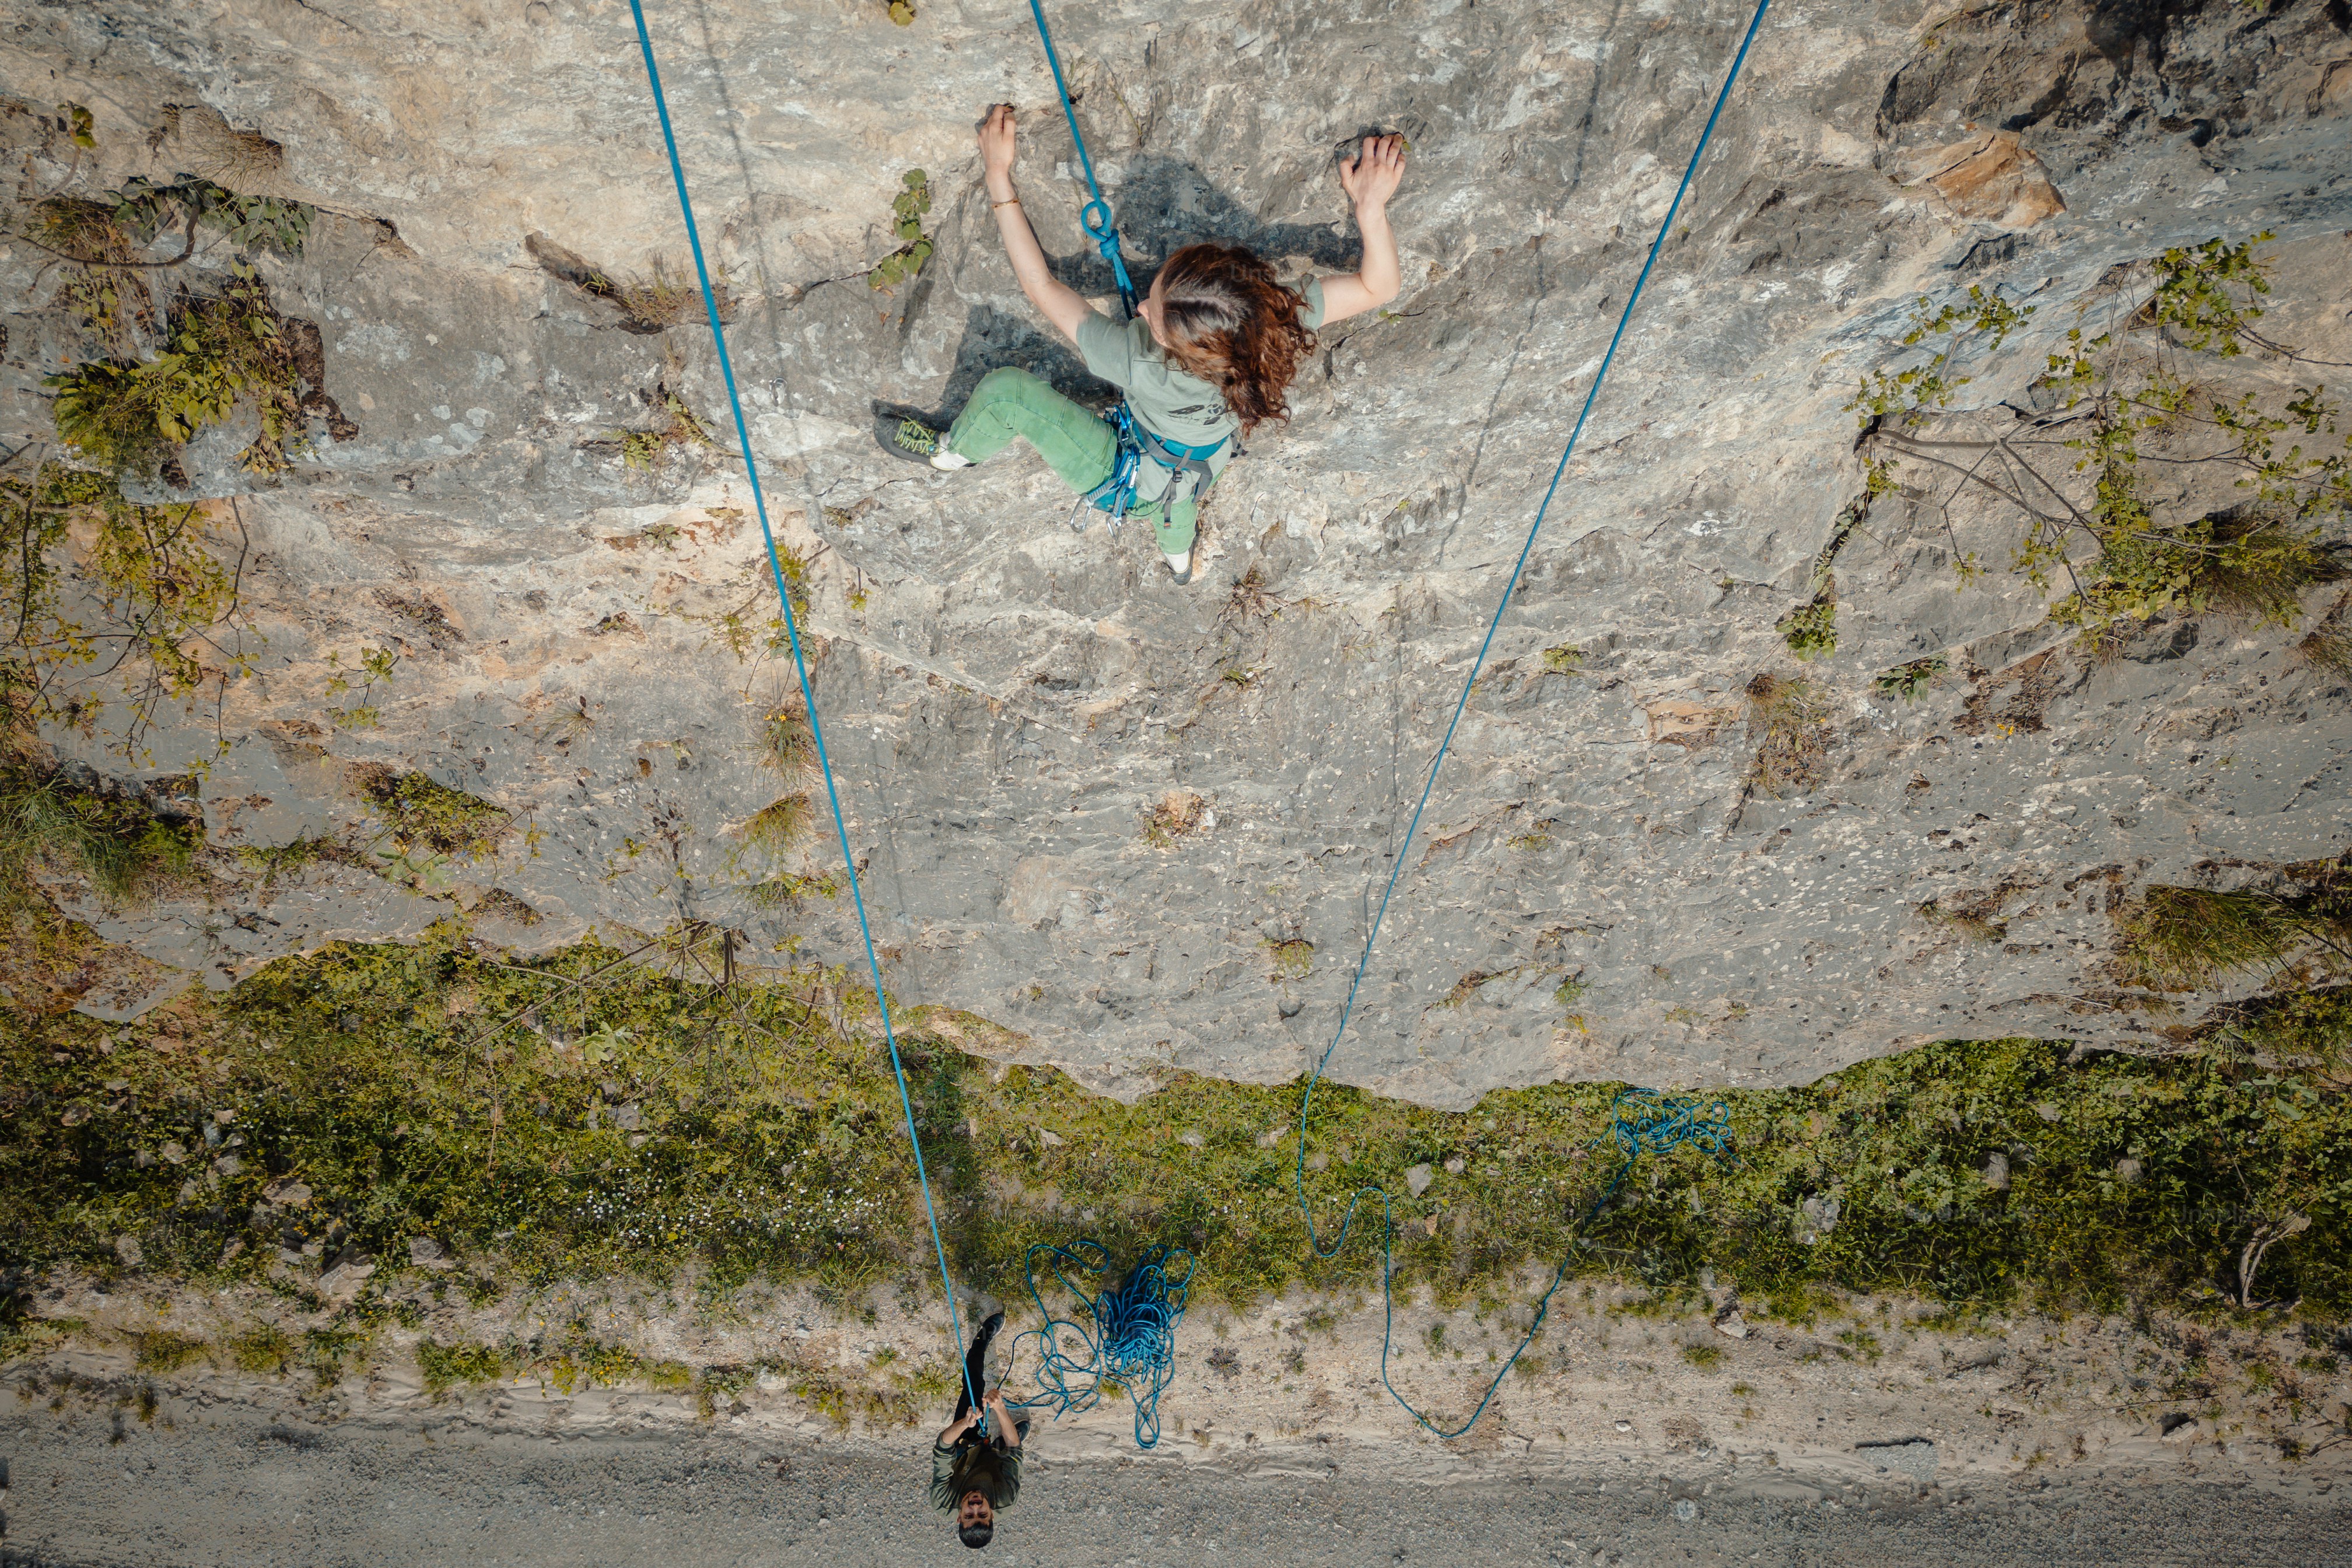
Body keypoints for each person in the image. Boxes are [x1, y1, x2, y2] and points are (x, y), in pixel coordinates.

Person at [885, 105, 1408, 585]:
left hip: (1127, 476)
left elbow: (1040, 286)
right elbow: (1378, 287)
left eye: (1152, 319)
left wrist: (997, 175)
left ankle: (952, 454)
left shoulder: (1137, 362)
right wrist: (1371, 207)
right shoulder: (1268, 319)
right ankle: (1179, 563)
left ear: (1176, 350)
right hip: (1204, 462)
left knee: (1006, 394)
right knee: (1178, 507)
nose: (1137, 309)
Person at [930, 1310, 1026, 1549]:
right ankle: (998, 1443)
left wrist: (965, 1422)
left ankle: (981, 1341)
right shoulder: (1005, 1501)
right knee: (1010, 1446)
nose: (975, 1507)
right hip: (994, 1461)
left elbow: (942, 1449)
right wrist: (1000, 1408)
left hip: (963, 1449)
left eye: (969, 1515)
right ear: (992, 1515)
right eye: (982, 1514)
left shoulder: (942, 1502)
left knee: (973, 1385)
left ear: (959, 1518)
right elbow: (1015, 1451)